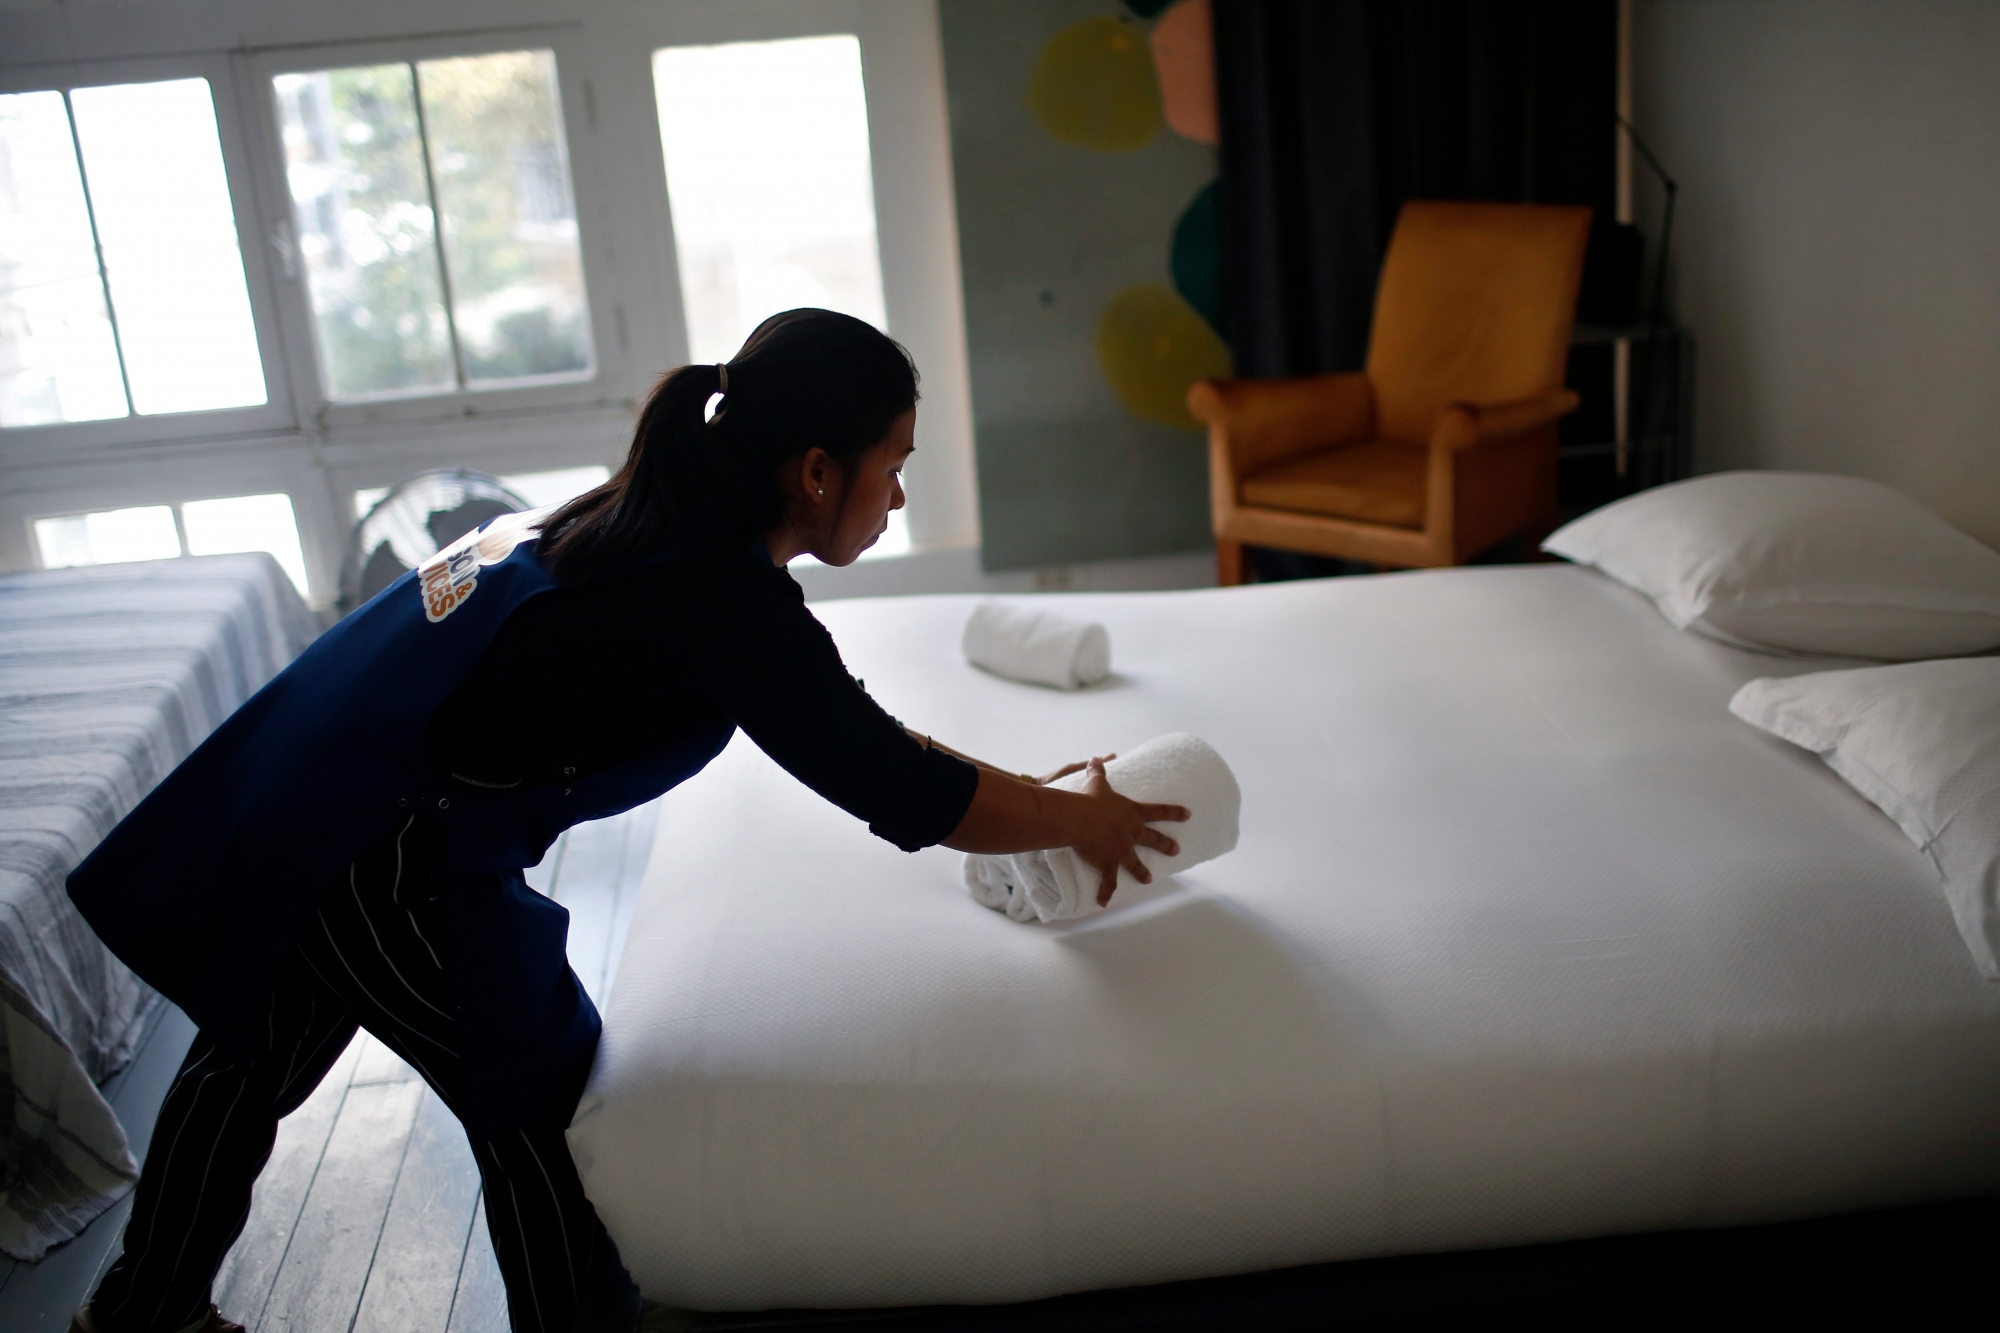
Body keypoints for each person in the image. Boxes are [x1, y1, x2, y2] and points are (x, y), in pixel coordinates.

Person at [65, 309, 1189, 1333]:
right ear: (813, 470)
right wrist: (1075, 823)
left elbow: (865, 740)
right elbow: (894, 786)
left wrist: (1045, 799)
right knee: (538, 1100)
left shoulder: (661, 521)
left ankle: (136, 1314)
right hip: (382, 838)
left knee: (247, 1060)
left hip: (329, 782)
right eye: (891, 467)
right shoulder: (720, 600)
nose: (895, 496)